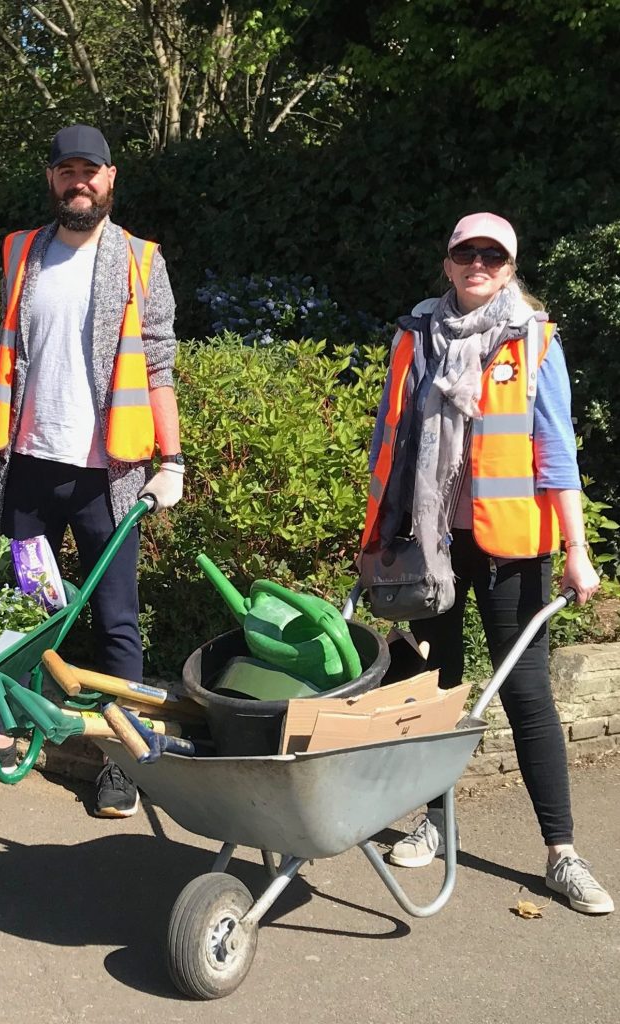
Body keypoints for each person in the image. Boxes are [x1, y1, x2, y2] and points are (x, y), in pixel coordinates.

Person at [362, 212, 612, 914]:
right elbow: (391, 440)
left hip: (510, 547)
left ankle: (562, 853)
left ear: (509, 267)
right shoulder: (414, 338)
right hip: (428, 542)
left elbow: (557, 452)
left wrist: (577, 549)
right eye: (465, 253)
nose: (478, 264)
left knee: (527, 695)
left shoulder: (534, 340)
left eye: (492, 255)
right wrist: (377, 540)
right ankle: (434, 823)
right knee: (434, 687)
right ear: (447, 264)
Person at [0, 124, 184, 817]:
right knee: (24, 610)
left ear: (112, 179)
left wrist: (173, 459)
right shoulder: (22, 252)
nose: (80, 182)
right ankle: (3, 735)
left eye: (91, 171)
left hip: (107, 478)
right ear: (51, 179)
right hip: (32, 470)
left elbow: (159, 365)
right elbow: (12, 353)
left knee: (114, 619)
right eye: (67, 171)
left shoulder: (140, 260)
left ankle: (121, 759)